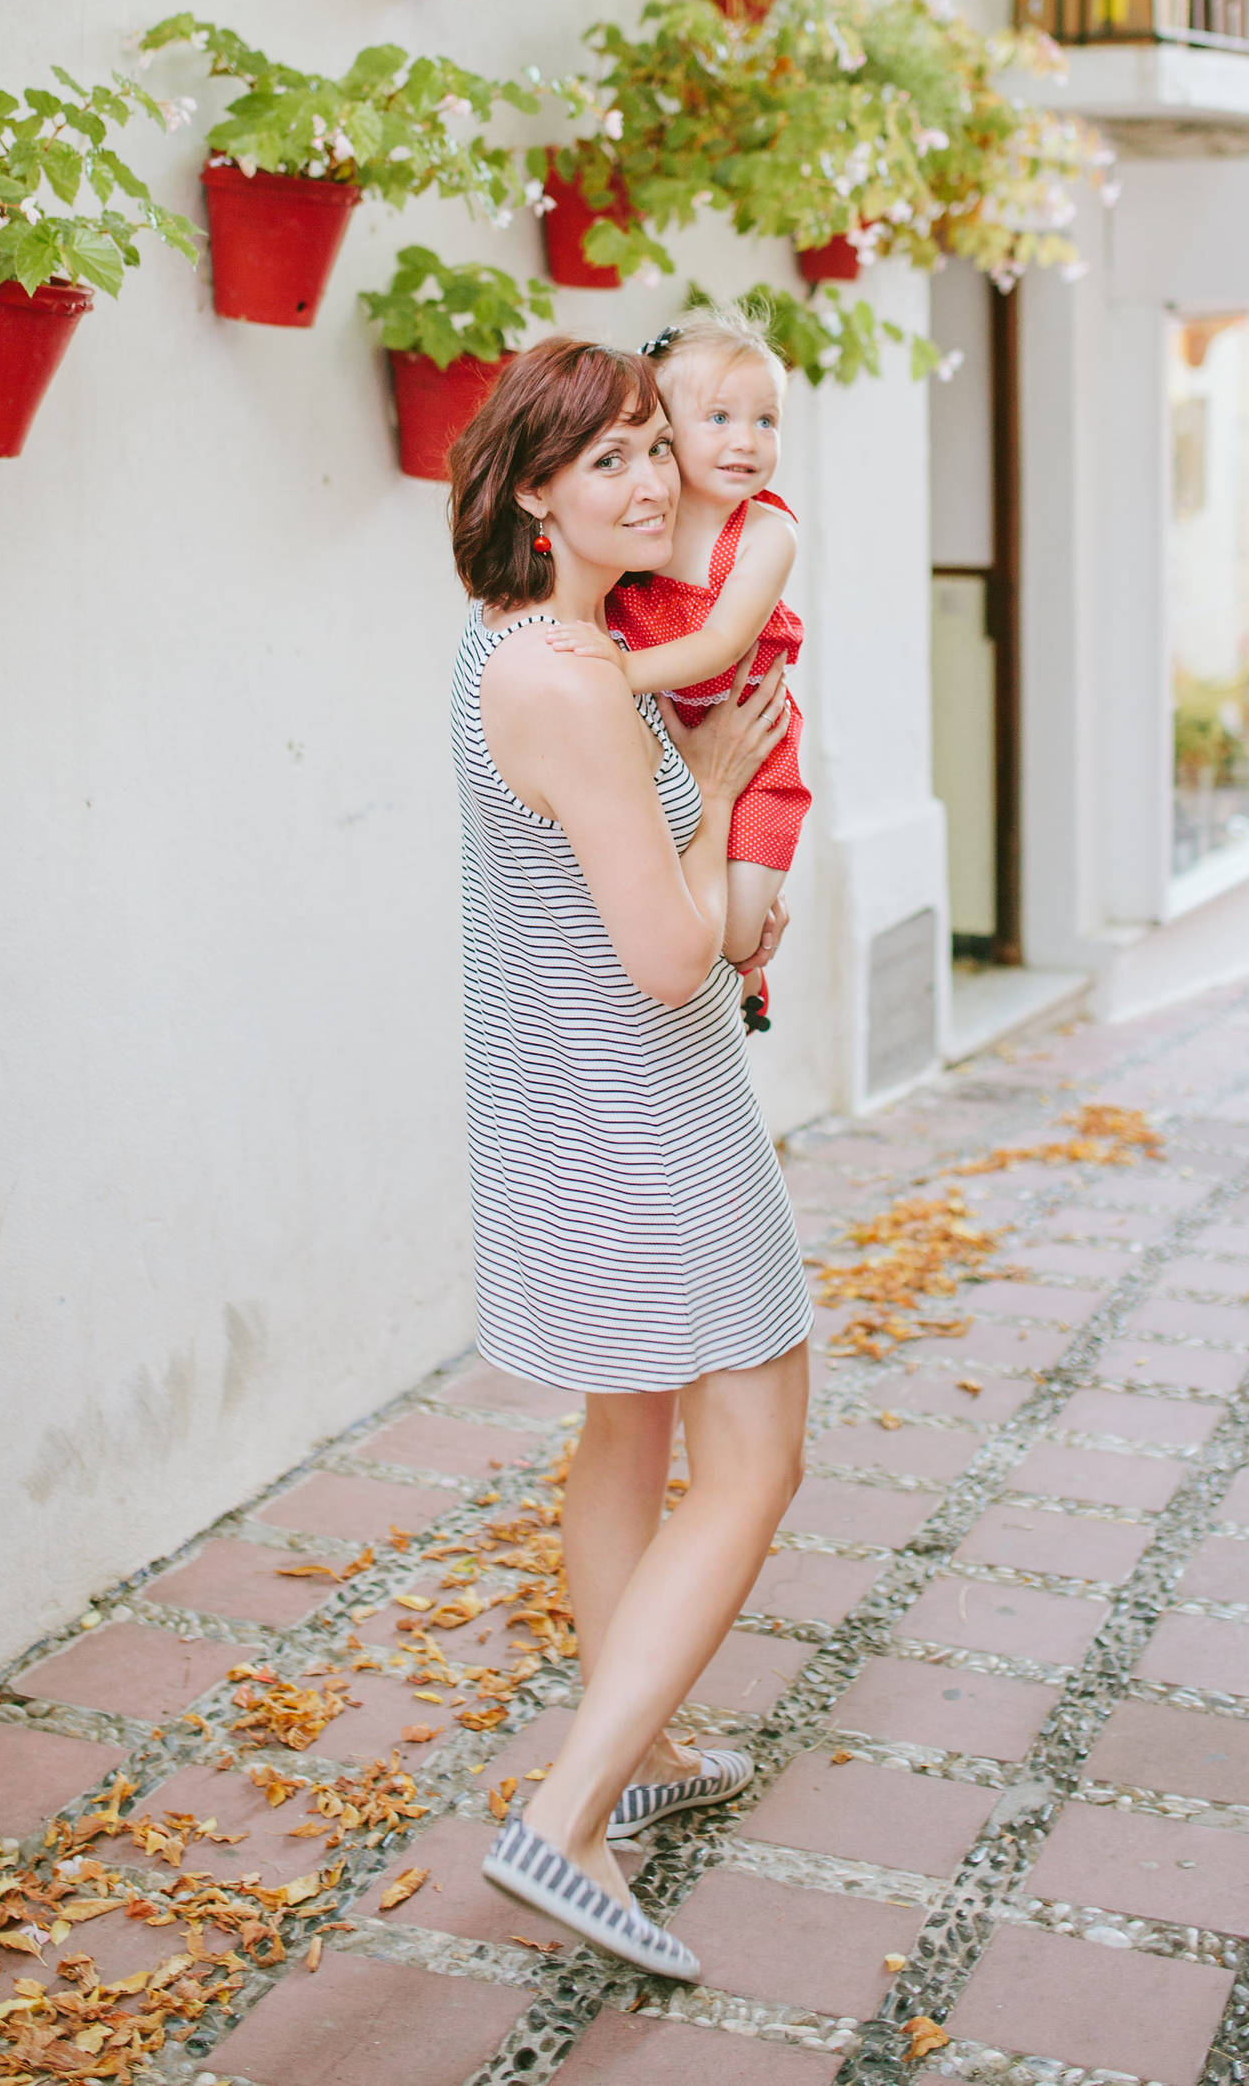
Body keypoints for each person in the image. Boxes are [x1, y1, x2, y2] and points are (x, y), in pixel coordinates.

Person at [446, 337, 813, 1983]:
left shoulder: (524, 649)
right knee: (754, 1452)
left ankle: (635, 1751)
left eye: (661, 445)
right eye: (608, 460)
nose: (657, 478)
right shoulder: (579, 682)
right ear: (533, 491)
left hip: (577, 1107)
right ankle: (568, 1817)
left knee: (628, 1423)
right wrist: (723, 801)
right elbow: (669, 959)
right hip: (649, 1122)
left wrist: (709, 868)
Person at [544, 308, 809, 1037]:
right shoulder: (648, 520)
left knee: (735, 933)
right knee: (672, 896)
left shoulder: (766, 533)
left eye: (766, 421)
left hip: (755, 753)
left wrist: (618, 671)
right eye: (719, 417)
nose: (745, 442)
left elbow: (723, 643)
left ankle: (751, 970)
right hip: (673, 738)